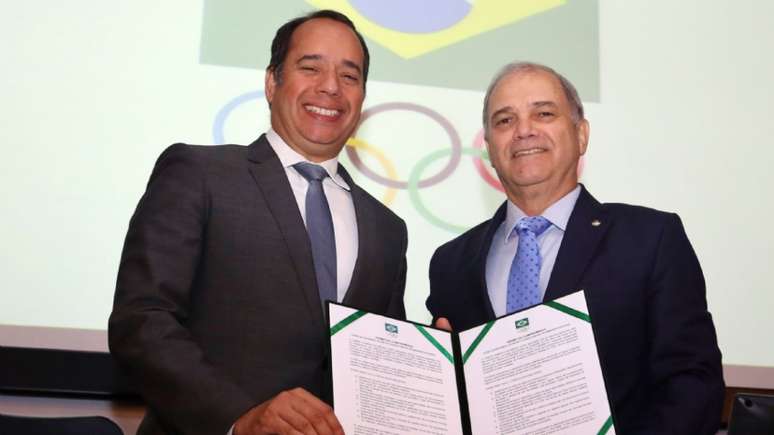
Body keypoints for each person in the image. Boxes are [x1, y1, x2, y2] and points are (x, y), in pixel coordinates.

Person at [109, 10, 407, 435]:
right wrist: (238, 418)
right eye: (310, 67)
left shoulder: (388, 229)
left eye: (349, 76)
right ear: (272, 82)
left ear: (361, 97)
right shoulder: (198, 174)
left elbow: (377, 364)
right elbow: (142, 321)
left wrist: (432, 359)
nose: (330, 87)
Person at [426, 62, 724, 434]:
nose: (523, 131)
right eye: (504, 121)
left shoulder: (651, 239)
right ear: (489, 148)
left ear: (581, 134)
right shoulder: (450, 262)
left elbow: (693, 385)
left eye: (544, 113)